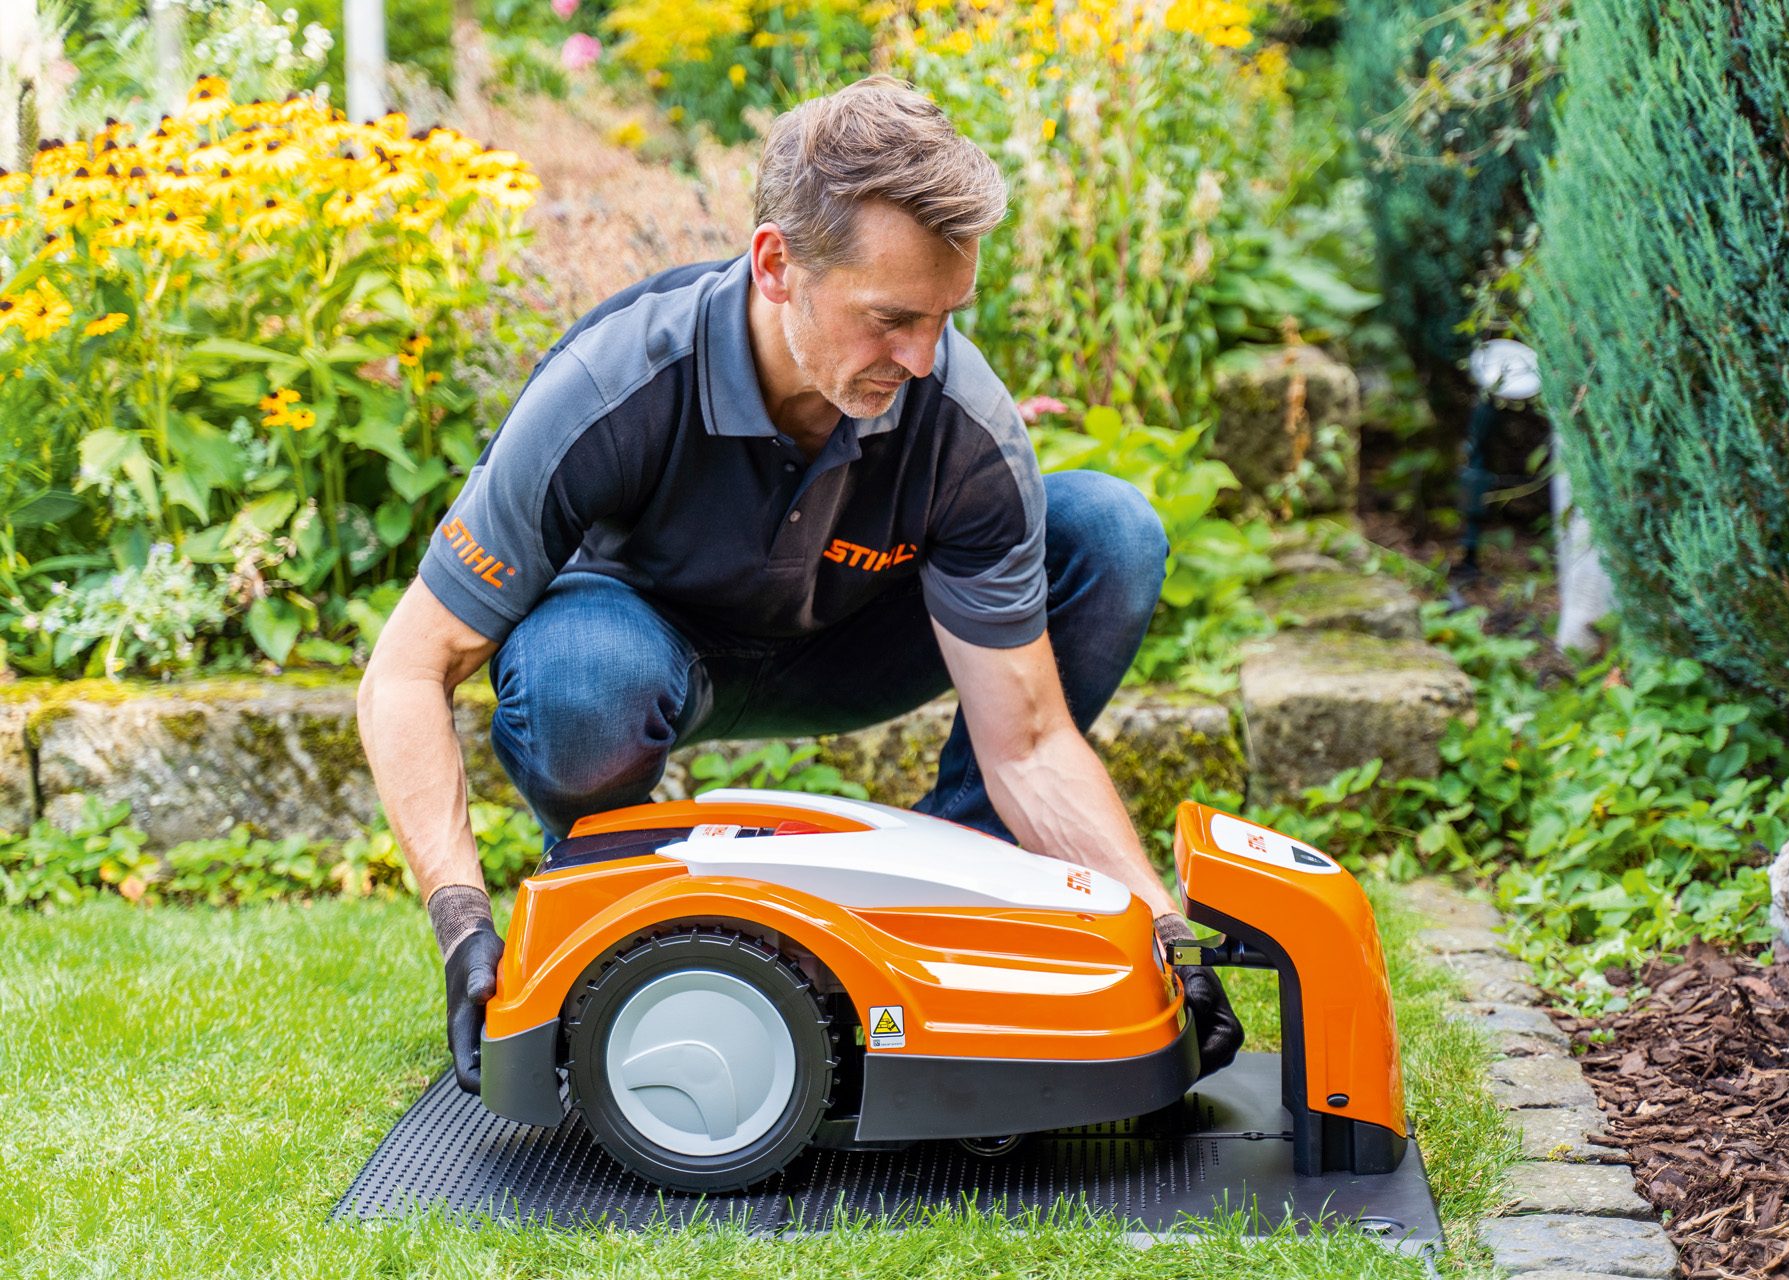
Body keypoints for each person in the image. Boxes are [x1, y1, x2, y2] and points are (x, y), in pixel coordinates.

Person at [356, 75, 1242, 1099]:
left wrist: (1159, 923)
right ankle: (604, 900)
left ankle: (947, 892)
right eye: (891, 317)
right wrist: (462, 920)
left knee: (1110, 534)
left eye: (945, 317)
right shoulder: (615, 384)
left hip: (848, 638)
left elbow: (1030, 740)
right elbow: (407, 669)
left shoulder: (961, 423)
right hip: (636, 653)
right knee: (582, 684)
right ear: (778, 264)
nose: (921, 356)